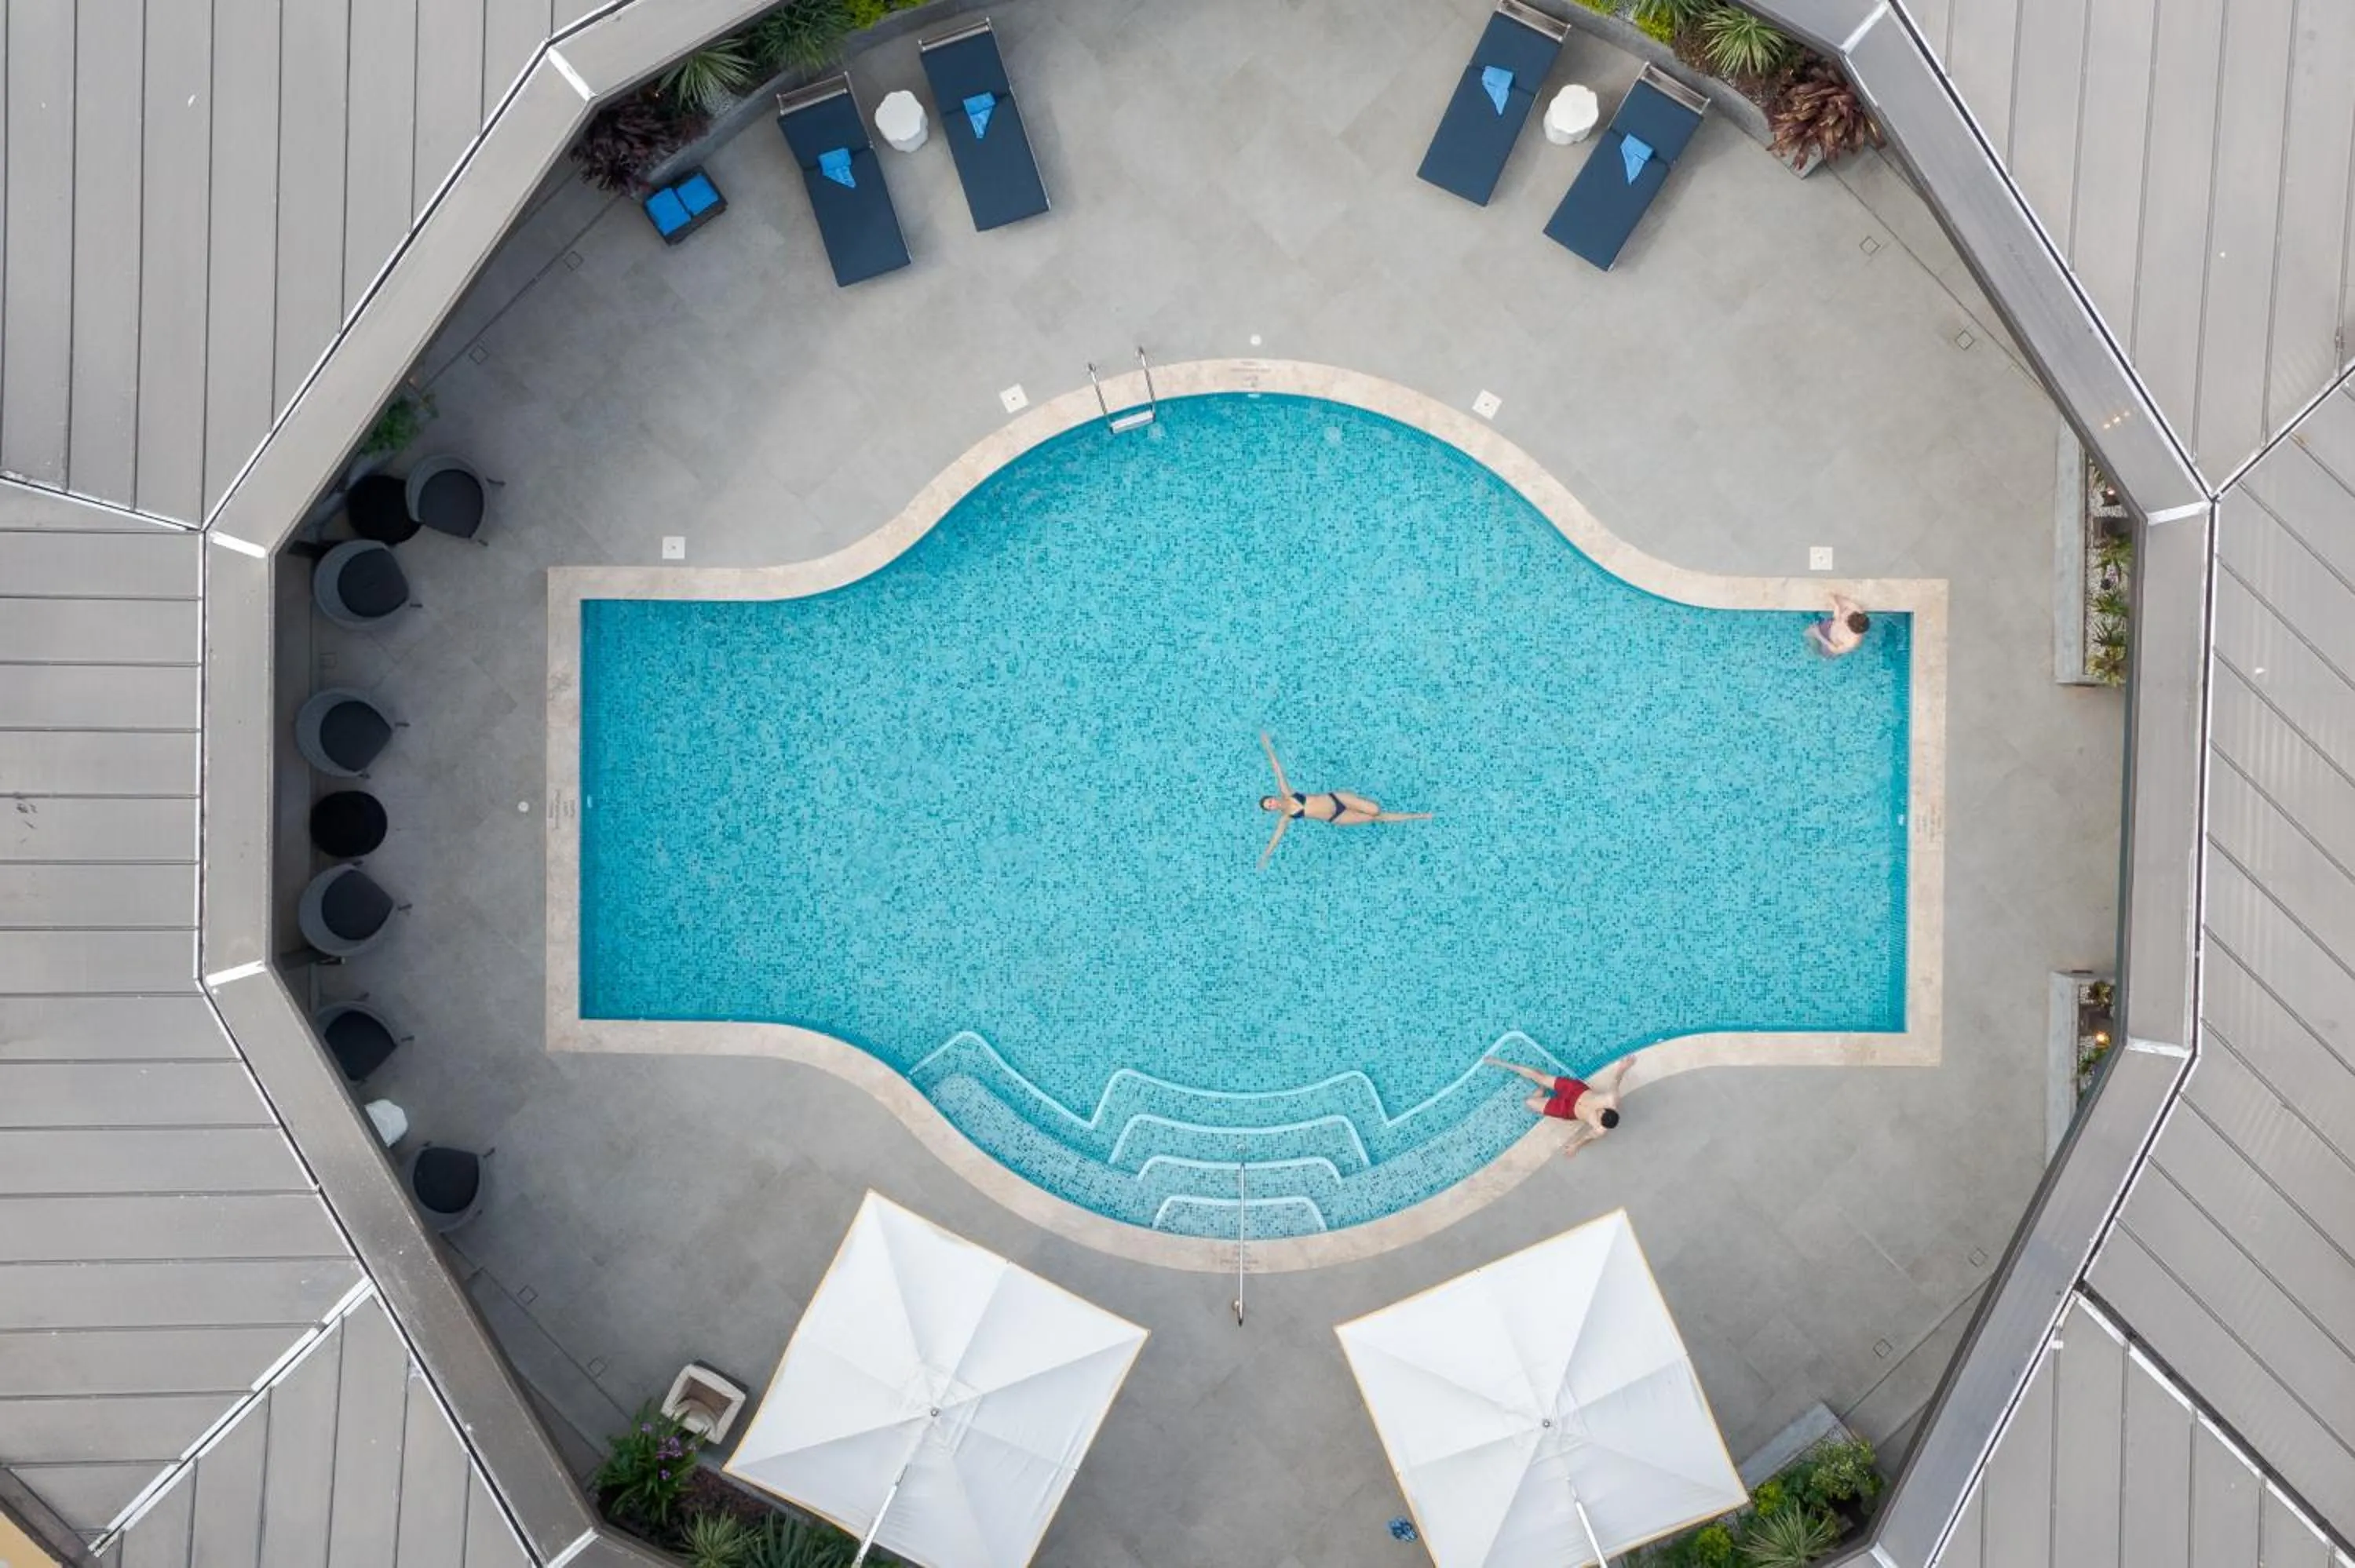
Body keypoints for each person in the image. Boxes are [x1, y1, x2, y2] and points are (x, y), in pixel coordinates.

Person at [1258, 733, 1431, 866]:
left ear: (1273, 797)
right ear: (1271, 810)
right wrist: (1265, 856)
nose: (1272, 804)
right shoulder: (1285, 818)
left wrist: (1267, 746)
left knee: (1375, 809)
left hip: (1337, 799)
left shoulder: (1287, 792)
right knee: (1374, 818)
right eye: (1269, 806)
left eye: (1270, 801)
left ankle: (1415, 815)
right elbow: (1276, 837)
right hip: (1336, 818)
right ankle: (1418, 816)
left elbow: (1277, 769)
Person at [1485, 1056, 1627, 1159]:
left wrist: (1575, 1146)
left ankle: (1542, 1087)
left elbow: (1588, 1137)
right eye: (1603, 1110)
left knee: (1529, 1102)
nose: (1599, 1111)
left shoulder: (1600, 1129)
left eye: (1599, 1115)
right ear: (1610, 1109)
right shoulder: (1611, 1098)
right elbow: (1616, 1080)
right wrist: (1622, 1068)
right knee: (1538, 1076)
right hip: (1575, 1091)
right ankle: (1500, 1062)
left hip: (1567, 1110)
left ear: (1602, 1122)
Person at [1808, 593, 1870, 657]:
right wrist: (1836, 605)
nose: (1844, 620)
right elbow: (1840, 600)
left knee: (1816, 652)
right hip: (1829, 625)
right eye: (1848, 617)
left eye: (1846, 622)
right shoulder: (1856, 610)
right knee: (1808, 634)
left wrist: (1819, 635)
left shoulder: (1852, 641)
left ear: (1851, 629)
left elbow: (1836, 650)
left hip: (1829, 642)